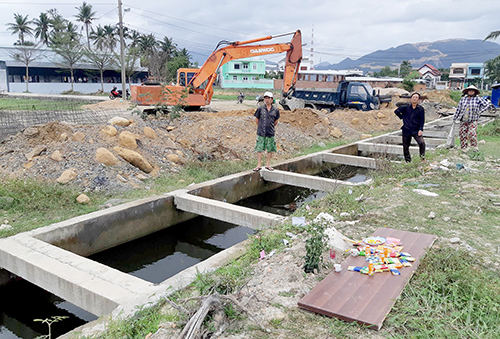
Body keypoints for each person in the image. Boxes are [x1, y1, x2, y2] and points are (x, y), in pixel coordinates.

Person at [453, 85, 489, 152]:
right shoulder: (463, 99)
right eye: (470, 90)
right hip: (463, 119)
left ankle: (474, 147)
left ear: (475, 92)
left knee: (471, 133)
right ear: (467, 91)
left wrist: (480, 111)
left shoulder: (478, 99)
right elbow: (458, 109)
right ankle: (464, 148)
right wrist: (455, 118)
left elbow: (487, 105)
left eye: (472, 91)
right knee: (462, 134)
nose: (471, 92)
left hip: (473, 119)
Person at [394, 92, 426, 162]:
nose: (414, 99)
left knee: (422, 143)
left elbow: (422, 120)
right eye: (413, 97)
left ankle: (422, 158)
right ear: (411, 99)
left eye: (416, 97)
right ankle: (408, 161)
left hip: (416, 129)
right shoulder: (405, 107)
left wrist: (420, 129)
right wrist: (402, 117)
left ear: (418, 100)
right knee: (405, 146)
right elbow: (396, 111)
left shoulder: (420, 109)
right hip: (406, 129)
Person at [253, 91, 279, 171]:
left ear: (272, 99)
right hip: (261, 132)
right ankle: (259, 164)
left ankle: (268, 164)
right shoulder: (260, 109)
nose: (267, 100)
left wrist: (270, 127)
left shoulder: (275, 110)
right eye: (265, 98)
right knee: (259, 148)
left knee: (270, 148)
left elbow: (276, 121)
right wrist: (261, 127)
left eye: (268, 98)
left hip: (270, 132)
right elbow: (257, 119)